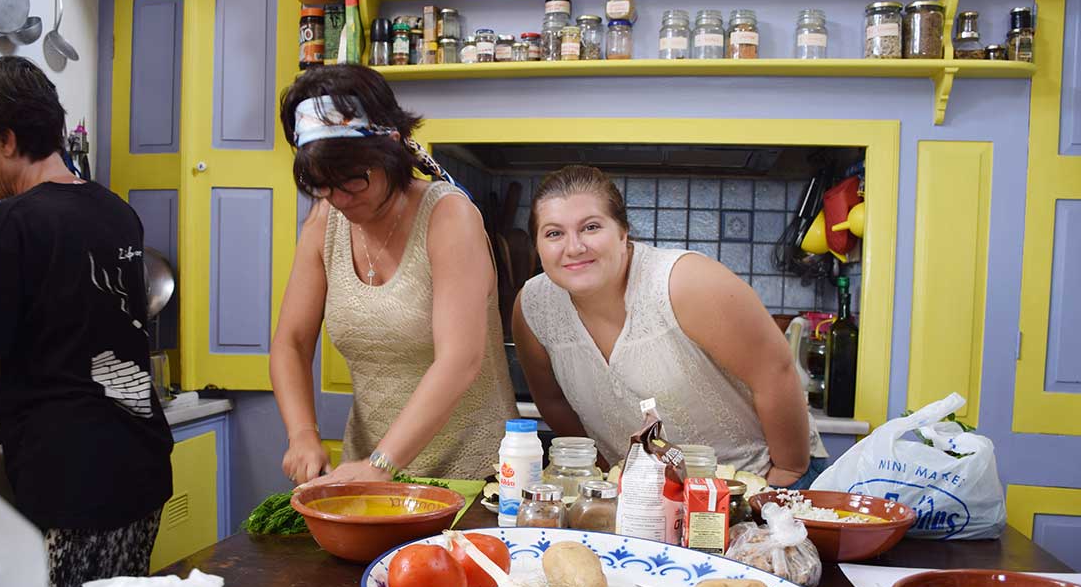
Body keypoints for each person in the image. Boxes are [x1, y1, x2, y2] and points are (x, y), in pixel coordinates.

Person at [0, 56, 173, 587]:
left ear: (7, 140)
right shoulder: (115, 212)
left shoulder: (7, 223)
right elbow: (87, 309)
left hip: (72, 482)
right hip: (140, 466)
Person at [272, 65, 517, 487]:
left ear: (391, 149)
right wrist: (303, 434)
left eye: (353, 181)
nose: (339, 200)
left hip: (472, 476)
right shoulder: (324, 221)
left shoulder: (448, 216)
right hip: (366, 471)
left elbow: (461, 360)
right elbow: (291, 343)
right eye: (322, 185)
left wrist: (383, 464)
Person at [512, 166, 827, 489]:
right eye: (554, 233)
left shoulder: (684, 282)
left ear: (623, 233)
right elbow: (553, 401)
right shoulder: (534, 307)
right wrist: (604, 470)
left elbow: (775, 372)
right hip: (649, 496)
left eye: (591, 227)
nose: (574, 247)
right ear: (537, 246)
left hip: (758, 480)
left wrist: (786, 475)